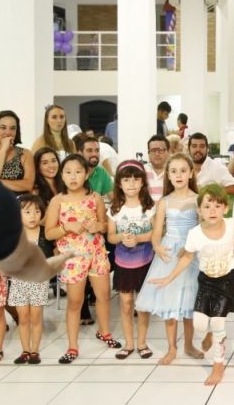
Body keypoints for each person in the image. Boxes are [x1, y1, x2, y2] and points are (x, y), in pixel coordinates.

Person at [0, 74, 71, 402]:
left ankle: (12, 323)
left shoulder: (20, 157)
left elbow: (25, 185)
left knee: (4, 279)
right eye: (3, 127)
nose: (8, 132)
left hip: (16, 218)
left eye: (12, 128)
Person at [149, 184, 234, 386]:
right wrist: (169, 278)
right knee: (200, 324)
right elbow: (186, 258)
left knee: (218, 323)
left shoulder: (232, 226)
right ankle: (210, 333)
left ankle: (218, 366)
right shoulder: (194, 233)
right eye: (207, 206)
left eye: (217, 206)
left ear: (225, 208)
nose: (212, 211)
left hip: (228, 278)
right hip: (206, 280)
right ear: (199, 211)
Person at [44, 154, 120, 364]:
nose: (73, 177)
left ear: (86, 173)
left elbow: (104, 225)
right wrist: (66, 227)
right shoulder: (57, 201)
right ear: (62, 175)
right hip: (73, 258)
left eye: (78, 171)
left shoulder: (95, 197)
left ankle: (104, 332)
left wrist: (99, 226)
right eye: (68, 172)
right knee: (75, 301)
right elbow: (49, 233)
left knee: (103, 295)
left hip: (96, 253)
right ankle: (72, 345)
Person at [135, 153, 203, 365]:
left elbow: (202, 228)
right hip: (169, 254)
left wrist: (191, 246)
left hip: (190, 253)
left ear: (191, 173)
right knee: (169, 304)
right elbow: (157, 233)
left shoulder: (197, 200)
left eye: (183, 170)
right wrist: (157, 247)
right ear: (168, 176)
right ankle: (171, 347)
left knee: (190, 304)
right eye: (174, 171)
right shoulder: (164, 202)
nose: (179, 175)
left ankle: (189, 344)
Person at [106, 160, 156, 360]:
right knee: (126, 303)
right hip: (123, 263)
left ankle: (142, 342)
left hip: (145, 261)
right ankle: (129, 343)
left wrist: (139, 238)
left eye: (136, 179)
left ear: (143, 182)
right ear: (119, 183)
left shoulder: (149, 207)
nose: (132, 184)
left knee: (142, 305)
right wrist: (121, 238)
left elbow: (155, 233)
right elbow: (110, 236)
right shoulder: (115, 209)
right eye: (126, 180)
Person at [8, 195, 52, 365]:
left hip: (38, 281)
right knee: (23, 317)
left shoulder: (45, 234)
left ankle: (35, 351)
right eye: (27, 212)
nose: (33, 216)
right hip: (19, 281)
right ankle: (25, 350)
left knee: (36, 317)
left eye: (37, 211)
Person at [76, 136, 113, 201]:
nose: (94, 154)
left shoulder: (101, 172)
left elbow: (113, 197)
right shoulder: (73, 173)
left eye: (97, 150)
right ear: (80, 153)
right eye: (89, 151)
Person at [145, 135, 170, 202]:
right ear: (148, 153)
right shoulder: (141, 171)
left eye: (160, 150)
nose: (157, 154)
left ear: (168, 152)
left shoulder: (175, 172)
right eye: (153, 150)